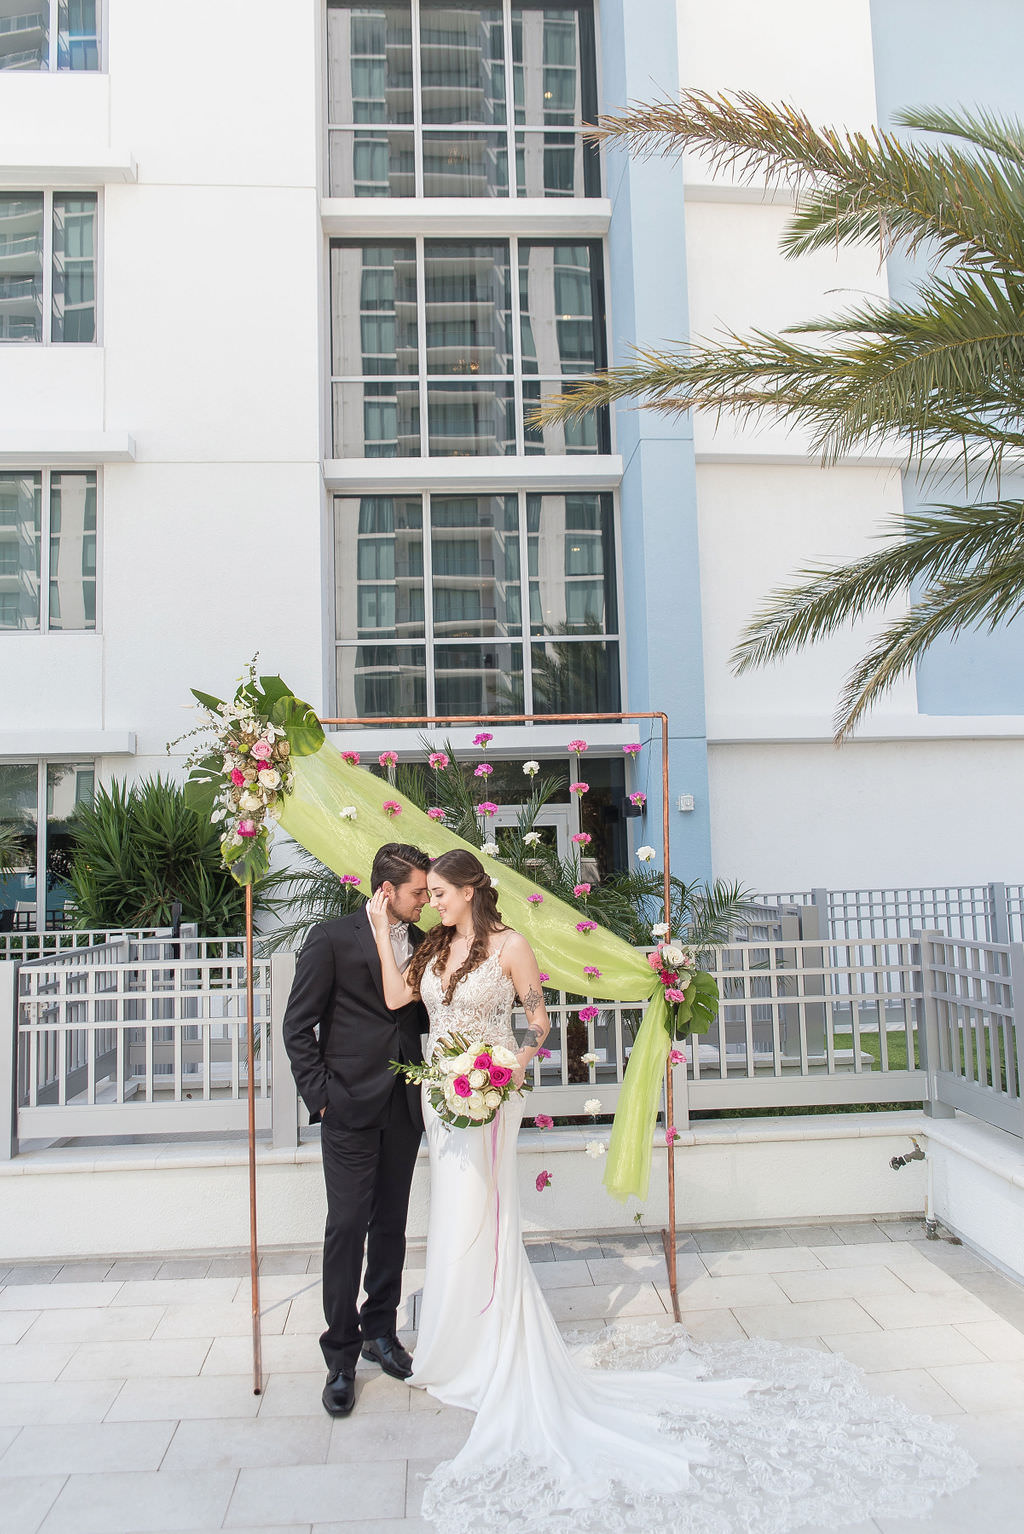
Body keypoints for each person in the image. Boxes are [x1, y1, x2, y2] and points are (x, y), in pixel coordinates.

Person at [368, 847, 975, 1534]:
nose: (437, 905)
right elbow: (396, 998)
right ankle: (453, 1345)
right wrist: (379, 929)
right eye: (433, 897)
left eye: (443, 893)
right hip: (441, 1102)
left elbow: (537, 1021)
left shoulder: (513, 946)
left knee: (489, 1217)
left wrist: (508, 1067)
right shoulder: (432, 947)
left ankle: (492, 1347)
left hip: (490, 1098)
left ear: (473, 889)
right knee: (452, 1215)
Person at [282, 841, 430, 1418]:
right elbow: (298, 1027)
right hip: (346, 1106)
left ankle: (380, 1332)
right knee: (346, 1227)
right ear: (387, 891)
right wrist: (322, 1100)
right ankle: (340, 1355)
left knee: (391, 1224)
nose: (425, 901)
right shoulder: (332, 938)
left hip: (403, 1106)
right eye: (418, 892)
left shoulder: (422, 943)